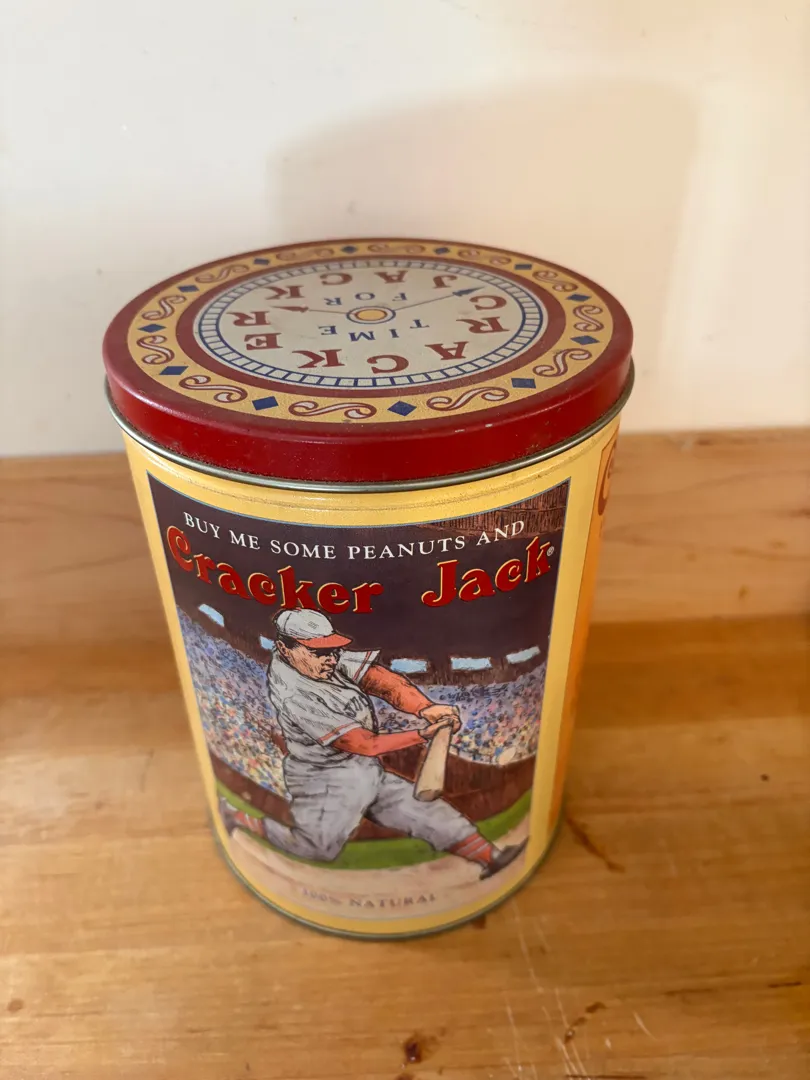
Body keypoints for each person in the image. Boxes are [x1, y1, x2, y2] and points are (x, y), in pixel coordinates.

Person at [218, 609, 526, 878]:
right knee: (317, 849)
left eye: (332, 650)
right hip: (325, 781)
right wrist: (424, 733)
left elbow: (381, 680)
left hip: (364, 769)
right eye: (319, 652)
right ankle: (240, 818)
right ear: (286, 649)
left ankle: (492, 859)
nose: (330, 658)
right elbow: (365, 744)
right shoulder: (293, 692)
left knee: (426, 811)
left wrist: (425, 708)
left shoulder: (318, 661)